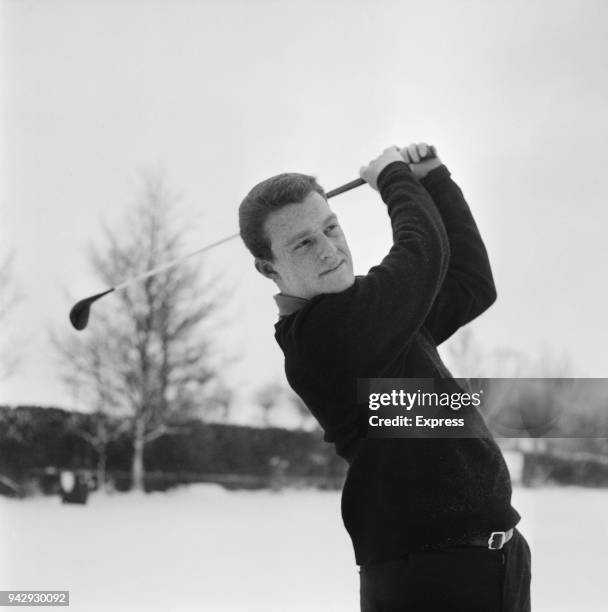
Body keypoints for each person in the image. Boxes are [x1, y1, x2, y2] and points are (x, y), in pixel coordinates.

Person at [238, 143, 532, 611]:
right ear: (267, 267)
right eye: (303, 243)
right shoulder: (322, 336)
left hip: (495, 562)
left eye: (330, 227)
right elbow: (422, 254)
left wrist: (435, 179)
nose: (329, 249)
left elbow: (471, 284)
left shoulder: (379, 316)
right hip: (428, 576)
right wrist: (394, 177)